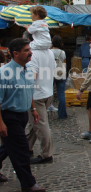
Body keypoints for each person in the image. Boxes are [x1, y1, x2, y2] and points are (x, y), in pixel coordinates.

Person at [0, 38, 46, 192]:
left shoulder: (26, 69)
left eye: (29, 49)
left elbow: (28, 91)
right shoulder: (4, 73)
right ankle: (28, 184)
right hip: (9, 116)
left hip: (22, 115)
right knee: (21, 150)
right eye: (26, 50)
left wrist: (33, 109)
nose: (30, 53)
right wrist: (1, 123)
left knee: (8, 147)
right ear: (15, 53)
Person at [26, 31, 56, 165]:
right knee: (34, 123)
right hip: (47, 91)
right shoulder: (49, 52)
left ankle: (46, 155)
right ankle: (26, 148)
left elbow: (32, 76)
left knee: (40, 125)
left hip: (37, 94)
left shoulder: (33, 54)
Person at [51, 35, 68, 119]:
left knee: (49, 93)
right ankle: (62, 114)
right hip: (61, 73)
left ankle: (46, 110)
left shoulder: (49, 52)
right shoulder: (62, 52)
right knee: (61, 94)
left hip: (50, 73)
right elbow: (63, 61)